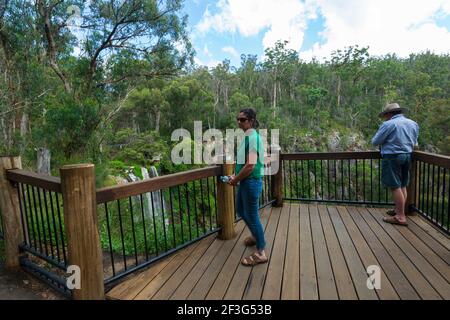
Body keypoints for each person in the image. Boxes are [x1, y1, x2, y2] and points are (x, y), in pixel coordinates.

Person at [228, 108, 268, 266]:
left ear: (251, 121)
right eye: (238, 119)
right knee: (241, 210)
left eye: (243, 119)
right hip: (245, 181)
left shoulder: (253, 138)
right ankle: (255, 236)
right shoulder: (247, 137)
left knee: (251, 215)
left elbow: (251, 165)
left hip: (250, 182)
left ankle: (261, 251)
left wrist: (235, 179)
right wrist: (235, 176)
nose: (239, 122)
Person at [372, 103, 419, 226]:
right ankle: (400, 211)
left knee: (394, 186)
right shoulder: (413, 123)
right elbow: (414, 142)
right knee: (402, 184)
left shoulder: (389, 124)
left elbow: (375, 141)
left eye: (385, 115)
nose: (385, 118)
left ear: (389, 114)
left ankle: (400, 217)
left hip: (392, 157)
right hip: (407, 155)